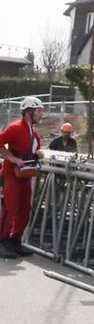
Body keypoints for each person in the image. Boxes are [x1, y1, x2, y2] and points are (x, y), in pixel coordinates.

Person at [0, 97, 45, 258]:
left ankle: (15, 240)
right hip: (12, 174)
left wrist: (38, 153)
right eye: (39, 111)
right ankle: (2, 241)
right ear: (29, 112)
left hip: (26, 174)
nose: (41, 114)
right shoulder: (15, 128)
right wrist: (12, 158)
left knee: (25, 209)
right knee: (10, 208)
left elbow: (32, 149)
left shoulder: (34, 131)